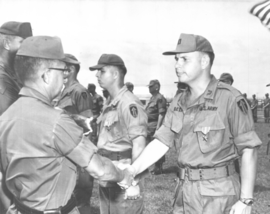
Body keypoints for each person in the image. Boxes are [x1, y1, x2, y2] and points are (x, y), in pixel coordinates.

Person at [120, 33, 261, 214]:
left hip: (218, 195)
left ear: (204, 62)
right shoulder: (179, 101)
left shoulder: (230, 98)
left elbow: (249, 149)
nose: (177, 65)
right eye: (176, 59)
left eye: (184, 59)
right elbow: (162, 142)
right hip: (184, 191)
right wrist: (133, 169)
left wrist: (246, 200)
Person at [0, 36, 132, 214]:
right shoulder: (56, 121)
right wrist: (124, 175)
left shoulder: (6, 117)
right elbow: (100, 169)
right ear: (46, 75)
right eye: (61, 70)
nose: (64, 76)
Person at [89, 53, 147, 214]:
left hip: (124, 175)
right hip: (108, 174)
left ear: (115, 74)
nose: (97, 75)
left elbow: (139, 145)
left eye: (102, 71)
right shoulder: (110, 103)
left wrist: (133, 182)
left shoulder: (129, 104)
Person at [55, 53, 94, 214]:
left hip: (77, 152)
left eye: (61, 68)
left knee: (80, 199)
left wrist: (85, 159)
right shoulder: (64, 92)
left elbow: (88, 124)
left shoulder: (79, 91)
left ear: (69, 70)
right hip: (66, 153)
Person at [0, 21, 32, 214]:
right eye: (22, 42)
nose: (25, 49)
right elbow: (8, 131)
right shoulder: (2, 80)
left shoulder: (11, 76)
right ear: (6, 44)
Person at [145, 79, 167, 175]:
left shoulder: (159, 98)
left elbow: (161, 114)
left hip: (155, 125)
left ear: (156, 87)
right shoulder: (152, 98)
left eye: (151, 86)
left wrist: (158, 128)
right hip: (149, 126)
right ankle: (155, 167)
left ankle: (159, 167)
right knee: (151, 148)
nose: (149, 88)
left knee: (157, 147)